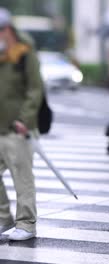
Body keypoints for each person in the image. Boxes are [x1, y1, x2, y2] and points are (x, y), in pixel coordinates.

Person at [0, 8, 43, 241]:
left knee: (22, 176)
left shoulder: (24, 53)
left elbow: (35, 89)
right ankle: (3, 218)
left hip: (19, 128)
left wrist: (25, 120)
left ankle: (26, 224)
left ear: (7, 30)